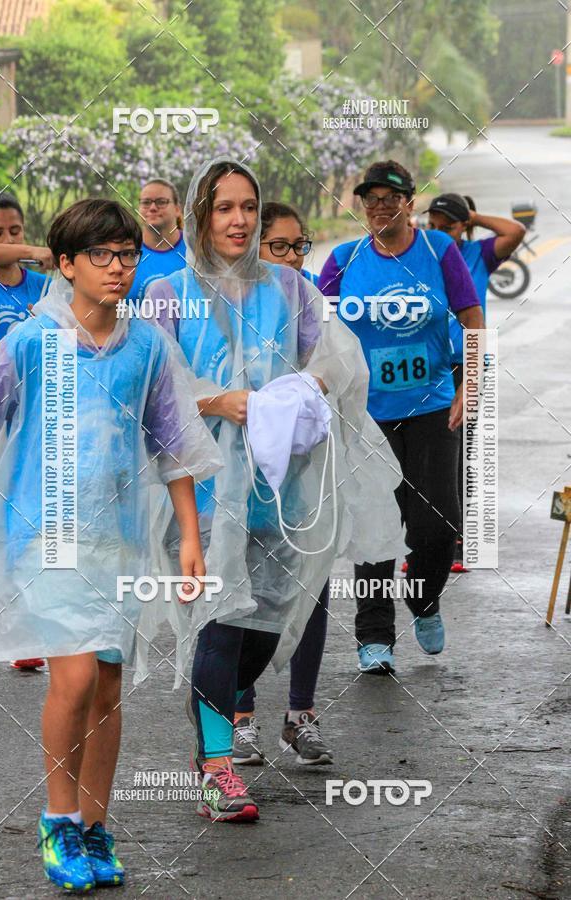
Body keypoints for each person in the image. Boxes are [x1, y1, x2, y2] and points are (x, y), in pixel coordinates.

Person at [0, 198, 221, 891]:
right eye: (103, 255)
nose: (119, 268)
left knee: (108, 686)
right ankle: (57, 824)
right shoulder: (30, 341)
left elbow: (173, 446)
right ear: (68, 264)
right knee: (74, 677)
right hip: (43, 534)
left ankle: (94, 824)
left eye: (129, 254)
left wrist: (191, 538)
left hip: (119, 544)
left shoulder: (146, 346)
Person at [147, 158, 403, 823]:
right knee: (221, 625)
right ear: (201, 215)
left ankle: (214, 719)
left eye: (248, 207)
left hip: (279, 495)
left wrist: (309, 386)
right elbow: (155, 389)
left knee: (263, 633)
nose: (238, 220)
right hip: (201, 496)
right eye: (224, 207)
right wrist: (216, 399)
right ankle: (217, 766)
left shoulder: (290, 289)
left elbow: (339, 357)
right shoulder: (169, 294)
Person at [319, 160, 484, 676]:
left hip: (432, 407)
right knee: (375, 523)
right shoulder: (345, 260)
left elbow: (471, 315)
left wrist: (471, 383)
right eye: (371, 199)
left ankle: (426, 600)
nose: (380, 207)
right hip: (366, 416)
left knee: (436, 525)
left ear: (409, 202)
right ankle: (373, 636)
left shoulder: (440, 251)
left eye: (391, 198)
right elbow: (315, 329)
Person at [233, 200, 331, 767]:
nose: (293, 258)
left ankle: (300, 715)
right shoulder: (213, 301)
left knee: (308, 587)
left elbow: (330, 362)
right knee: (241, 596)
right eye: (280, 247)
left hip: (295, 473)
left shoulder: (303, 296)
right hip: (233, 476)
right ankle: (239, 716)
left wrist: (310, 387)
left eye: (301, 246)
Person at [0, 191, 54, 671]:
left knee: (25, 527)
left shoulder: (43, 287)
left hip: (28, 423)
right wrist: (26, 251)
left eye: (16, 231)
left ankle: (23, 633)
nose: (8, 240)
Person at [427, 193, 525, 571]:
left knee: (460, 453)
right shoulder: (424, 254)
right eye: (433, 226)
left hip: (465, 365)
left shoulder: (478, 255)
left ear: (464, 225)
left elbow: (514, 231)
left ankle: (457, 539)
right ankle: (423, 539)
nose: (440, 234)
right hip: (428, 367)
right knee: (425, 454)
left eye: (448, 226)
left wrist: (472, 216)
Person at [130, 178, 186, 301]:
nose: (153, 208)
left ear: (177, 209)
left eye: (161, 202)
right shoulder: (126, 250)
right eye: (146, 202)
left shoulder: (196, 247)